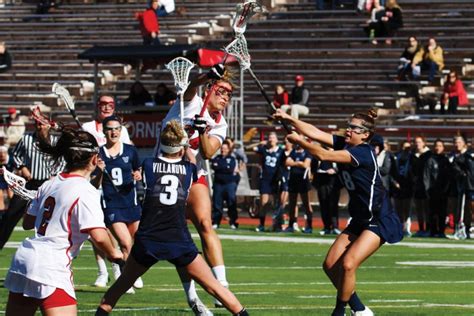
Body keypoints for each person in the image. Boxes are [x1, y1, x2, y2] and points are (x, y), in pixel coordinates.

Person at [96, 120, 248, 316]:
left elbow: (154, 169)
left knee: (118, 289)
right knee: (214, 287)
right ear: (181, 147)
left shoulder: (149, 165)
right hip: (178, 238)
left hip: (149, 238)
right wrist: (193, 139)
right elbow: (192, 161)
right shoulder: (189, 170)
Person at [274, 107, 403, 316]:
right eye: (348, 125)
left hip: (378, 218)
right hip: (360, 218)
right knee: (329, 264)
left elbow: (323, 154)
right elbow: (314, 132)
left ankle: (339, 311)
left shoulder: (363, 152)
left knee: (348, 264)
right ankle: (360, 309)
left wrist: (299, 142)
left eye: (354, 127)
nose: (348, 130)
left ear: (365, 134)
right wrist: (288, 118)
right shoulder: (345, 144)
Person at [4, 127, 124, 316]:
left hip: (24, 260)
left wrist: (40, 198)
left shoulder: (50, 183)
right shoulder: (86, 190)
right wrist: (115, 254)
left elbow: (28, 222)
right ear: (93, 159)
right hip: (51, 265)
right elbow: (99, 236)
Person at [155, 63, 235, 309]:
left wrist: (201, 133)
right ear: (210, 89)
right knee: (178, 236)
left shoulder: (220, 123)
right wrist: (205, 77)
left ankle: (220, 283)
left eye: (229, 94)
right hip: (167, 173)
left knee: (204, 223)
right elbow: (190, 88)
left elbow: (209, 152)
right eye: (221, 91)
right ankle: (192, 296)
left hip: (193, 172)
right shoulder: (190, 104)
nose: (225, 97)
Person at [82, 95, 132, 288]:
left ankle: (121, 267)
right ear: (97, 106)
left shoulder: (122, 130)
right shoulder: (87, 127)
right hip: (92, 183)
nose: (106, 107)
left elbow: (126, 151)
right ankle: (103, 271)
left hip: (114, 185)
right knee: (95, 227)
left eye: (110, 105)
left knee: (115, 227)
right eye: (102, 104)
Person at [0, 109, 65, 250]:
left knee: (53, 217)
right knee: (11, 214)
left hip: (49, 185)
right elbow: (16, 155)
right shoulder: (26, 139)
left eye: (42, 124)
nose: (39, 126)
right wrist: (22, 167)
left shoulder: (56, 141)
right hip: (29, 184)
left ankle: (58, 247)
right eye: (37, 123)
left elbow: (62, 161)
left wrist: (56, 174)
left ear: (48, 125)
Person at [95, 115, 143, 293]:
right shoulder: (99, 154)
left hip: (131, 202)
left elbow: (138, 169)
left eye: (116, 128)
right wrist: (99, 171)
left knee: (138, 242)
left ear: (121, 130)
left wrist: (138, 175)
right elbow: (94, 184)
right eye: (109, 128)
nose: (113, 132)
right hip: (112, 205)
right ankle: (127, 279)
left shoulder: (130, 150)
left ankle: (129, 272)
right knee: (125, 243)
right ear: (104, 131)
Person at [251, 132, 285, 232]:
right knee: (263, 203)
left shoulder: (281, 150)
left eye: (273, 137)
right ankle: (261, 224)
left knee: (276, 203)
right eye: (269, 137)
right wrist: (259, 143)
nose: (271, 139)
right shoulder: (264, 149)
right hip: (265, 179)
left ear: (277, 140)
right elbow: (249, 148)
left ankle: (276, 224)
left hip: (275, 179)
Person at [423, 139, 450, 237]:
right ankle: (433, 231)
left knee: (442, 213)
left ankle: (441, 231)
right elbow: (426, 176)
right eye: (436, 145)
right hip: (432, 191)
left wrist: (446, 189)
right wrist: (427, 190)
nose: (437, 147)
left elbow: (448, 177)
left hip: (443, 192)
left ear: (443, 147)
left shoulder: (445, 160)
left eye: (440, 146)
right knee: (432, 213)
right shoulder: (430, 160)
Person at [285, 143, 313, 233]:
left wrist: (294, 163)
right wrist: (298, 163)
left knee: (306, 204)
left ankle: (309, 226)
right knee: (292, 204)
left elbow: (306, 165)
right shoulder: (293, 151)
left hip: (303, 181)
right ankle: (291, 225)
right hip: (293, 181)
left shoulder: (307, 152)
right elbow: (287, 162)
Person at [211, 141, 239, 229]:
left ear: (228, 150)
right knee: (217, 204)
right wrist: (224, 167)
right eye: (222, 148)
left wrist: (220, 167)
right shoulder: (217, 158)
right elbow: (214, 166)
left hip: (229, 184)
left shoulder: (232, 158)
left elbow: (230, 169)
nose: (223, 150)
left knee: (231, 203)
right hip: (218, 184)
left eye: (225, 148)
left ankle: (233, 222)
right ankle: (216, 222)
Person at [450, 135, 474, 239]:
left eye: (459, 142)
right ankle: (460, 229)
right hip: (460, 186)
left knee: (470, 208)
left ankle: (469, 228)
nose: (457, 144)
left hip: (470, 186)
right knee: (459, 208)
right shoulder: (455, 156)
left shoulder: (469, 155)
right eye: (455, 142)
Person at [311, 156, 341, 236]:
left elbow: (343, 167)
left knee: (333, 205)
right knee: (323, 204)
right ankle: (326, 227)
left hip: (334, 182)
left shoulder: (337, 152)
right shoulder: (320, 154)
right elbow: (313, 167)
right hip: (322, 181)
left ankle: (335, 227)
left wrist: (335, 170)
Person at [392, 140, 413, 236]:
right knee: (398, 208)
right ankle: (399, 227)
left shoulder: (412, 157)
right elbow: (392, 171)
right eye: (404, 147)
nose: (406, 149)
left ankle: (407, 227)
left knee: (407, 208)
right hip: (398, 184)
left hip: (408, 185)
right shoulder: (396, 156)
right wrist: (394, 182)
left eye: (408, 147)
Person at [411, 136, 431, 237]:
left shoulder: (428, 154)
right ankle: (421, 229)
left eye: (419, 142)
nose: (417, 144)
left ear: (424, 143)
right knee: (419, 208)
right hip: (417, 185)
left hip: (426, 185)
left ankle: (428, 228)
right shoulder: (413, 155)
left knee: (426, 208)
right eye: (416, 142)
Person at [0, 145, 14, 217]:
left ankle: (12, 212)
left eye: (3, 152)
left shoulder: (11, 160)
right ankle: (1, 215)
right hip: (0, 180)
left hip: (9, 180)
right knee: (0, 196)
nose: (2, 154)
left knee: (11, 196)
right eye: (0, 153)